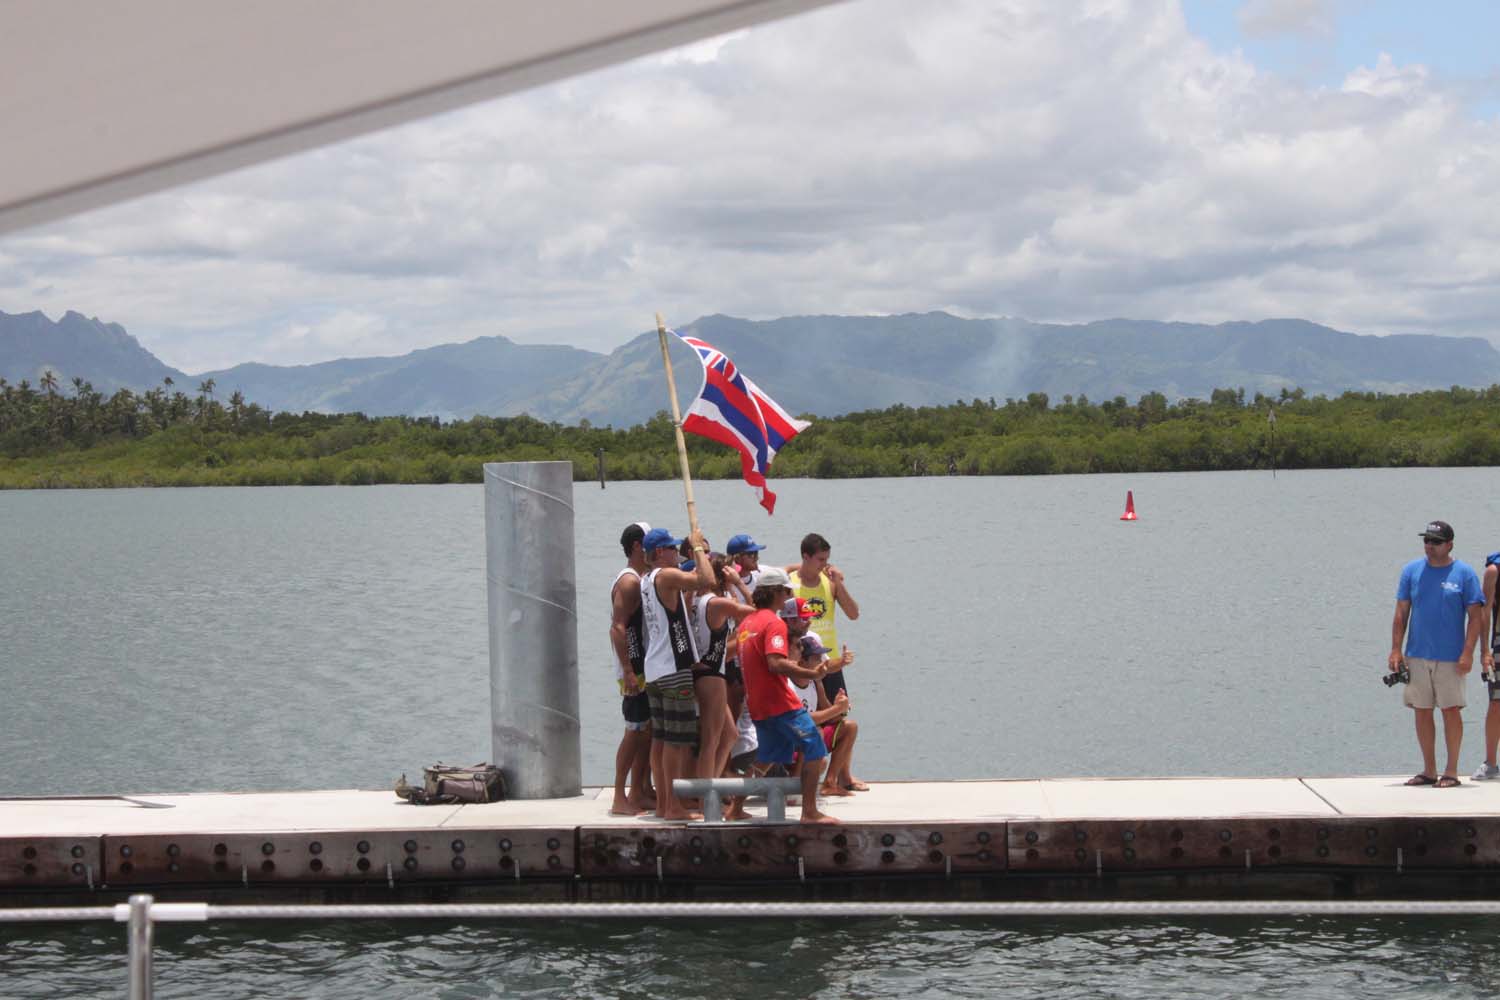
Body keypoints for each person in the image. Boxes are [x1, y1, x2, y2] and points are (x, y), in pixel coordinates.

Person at [736, 566, 840, 824]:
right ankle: (810, 811)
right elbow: (775, 663)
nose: (788, 597)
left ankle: (735, 808)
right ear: (775, 592)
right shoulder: (773, 623)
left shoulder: (747, 622)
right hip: (780, 703)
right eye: (786, 592)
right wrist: (812, 673)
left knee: (766, 758)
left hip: (758, 703)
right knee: (815, 745)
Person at [1390, 520, 1485, 788]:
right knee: (1421, 710)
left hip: (1451, 657)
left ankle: (1451, 771)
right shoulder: (1411, 571)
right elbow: (1401, 612)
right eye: (1427, 541)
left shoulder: (1464, 573)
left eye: (1436, 542)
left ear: (1449, 545)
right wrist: (1396, 649)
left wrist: (1468, 653)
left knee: (1450, 710)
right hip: (1417, 653)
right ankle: (1429, 770)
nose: (1430, 546)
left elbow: (1476, 617)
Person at [640, 525, 715, 820]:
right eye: (673, 549)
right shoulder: (666, 575)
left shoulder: (648, 580)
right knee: (676, 740)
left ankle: (664, 804)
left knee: (660, 739)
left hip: (655, 668)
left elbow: (678, 606)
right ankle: (673, 806)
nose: (676, 553)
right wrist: (697, 549)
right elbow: (707, 580)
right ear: (660, 552)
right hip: (672, 667)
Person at [787, 533, 866, 789]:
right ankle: (799, 776)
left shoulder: (829, 582)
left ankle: (842, 777)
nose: (825, 564)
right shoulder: (790, 582)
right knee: (807, 719)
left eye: (827, 559)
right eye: (820, 559)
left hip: (830, 661)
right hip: (802, 661)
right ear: (805, 557)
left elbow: (853, 614)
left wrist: (838, 584)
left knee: (840, 715)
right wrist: (794, 567)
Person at [690, 553, 755, 783]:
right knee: (711, 740)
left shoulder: (699, 600)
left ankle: (712, 787)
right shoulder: (717, 603)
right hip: (711, 674)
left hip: (703, 671)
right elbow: (758, 613)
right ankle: (704, 796)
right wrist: (739, 584)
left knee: (729, 734)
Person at [608, 522, 654, 815]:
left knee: (647, 730)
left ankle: (640, 791)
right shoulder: (628, 582)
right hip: (633, 669)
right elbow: (617, 627)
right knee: (634, 731)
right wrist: (627, 670)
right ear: (638, 546)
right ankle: (618, 796)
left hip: (645, 665)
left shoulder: (642, 578)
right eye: (650, 545)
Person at [795, 633, 862, 799]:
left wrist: (839, 707)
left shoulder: (816, 683)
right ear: (802, 662)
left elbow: (831, 718)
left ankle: (830, 783)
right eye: (816, 659)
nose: (823, 663)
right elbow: (802, 720)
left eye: (822, 658)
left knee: (850, 727)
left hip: (810, 738)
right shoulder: (789, 685)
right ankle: (794, 787)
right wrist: (835, 710)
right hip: (791, 744)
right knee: (818, 751)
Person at [1472, 552, 1500, 780]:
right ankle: (1490, 763)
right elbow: (1485, 611)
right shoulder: (1494, 571)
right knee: (1497, 703)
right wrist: (1484, 652)